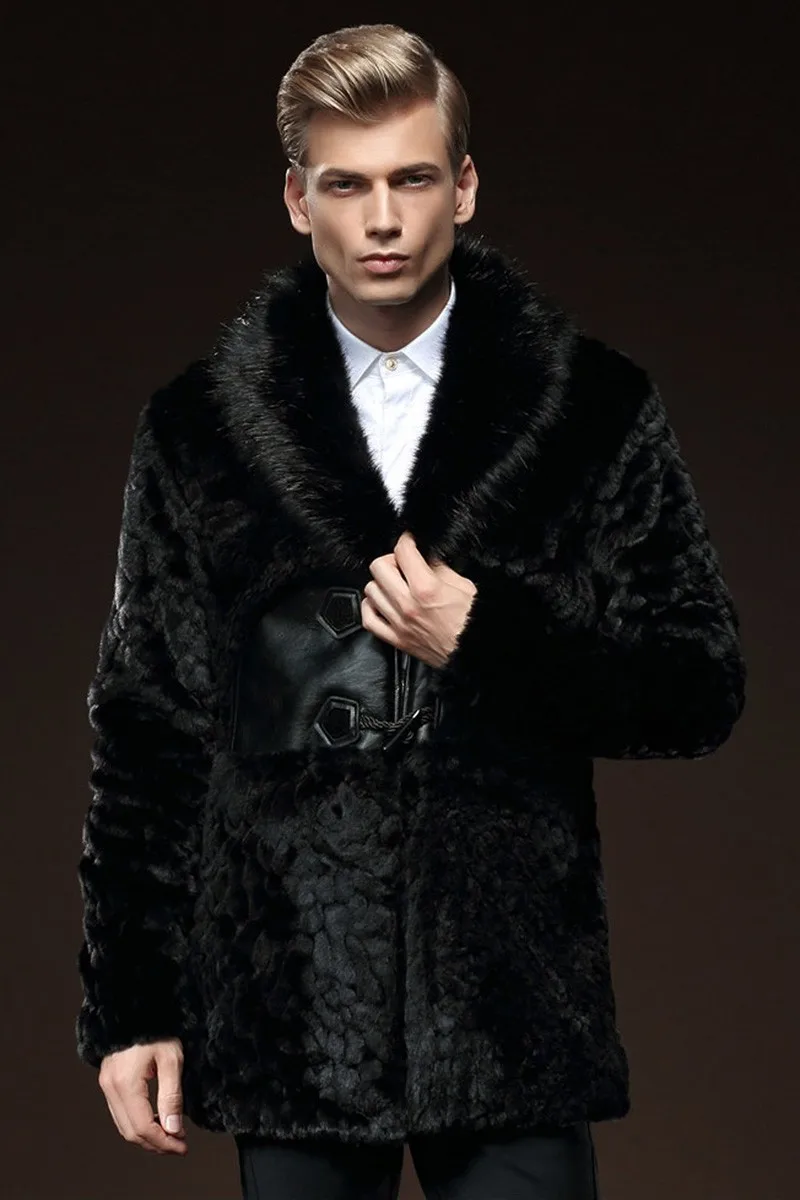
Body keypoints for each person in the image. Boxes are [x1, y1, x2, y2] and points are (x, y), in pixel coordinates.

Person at [75, 22, 747, 1200]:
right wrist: (132, 1007)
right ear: (298, 200)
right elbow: (147, 728)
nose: (381, 220)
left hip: (507, 1002)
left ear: (464, 188)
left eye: (412, 179)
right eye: (347, 185)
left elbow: (696, 688)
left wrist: (488, 640)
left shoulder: (588, 409)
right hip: (291, 1002)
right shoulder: (199, 429)